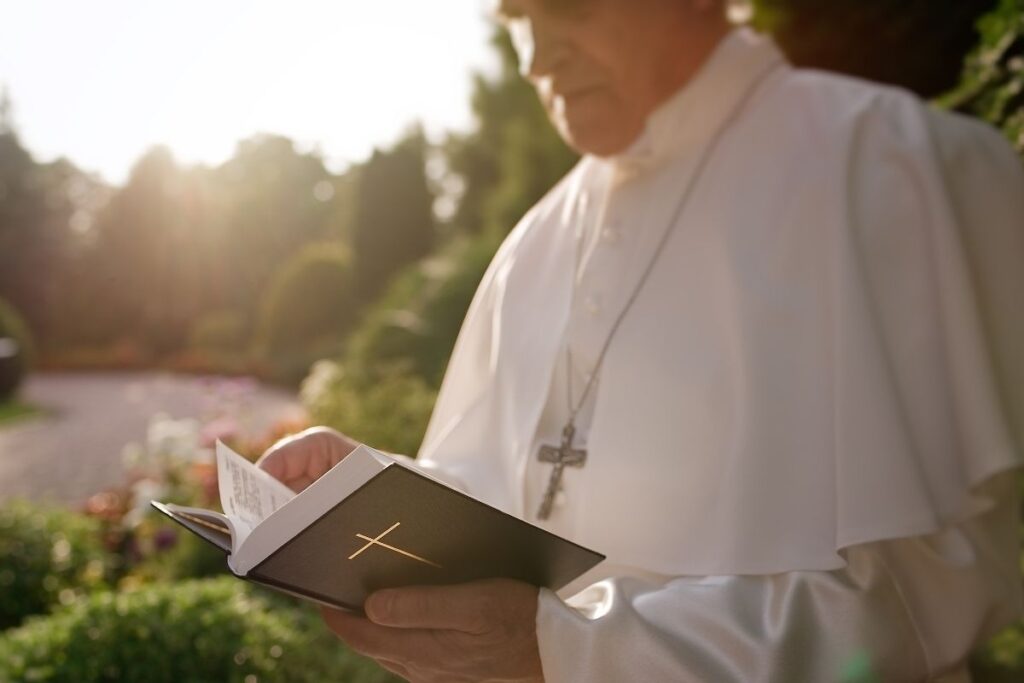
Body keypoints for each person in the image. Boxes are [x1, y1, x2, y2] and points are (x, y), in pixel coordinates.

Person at [258, 0, 1024, 680]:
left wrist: (570, 652)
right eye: (518, 21)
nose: (534, 60)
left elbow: (936, 588)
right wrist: (374, 499)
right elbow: (502, 505)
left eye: (567, 10)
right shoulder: (533, 242)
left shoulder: (893, 165)